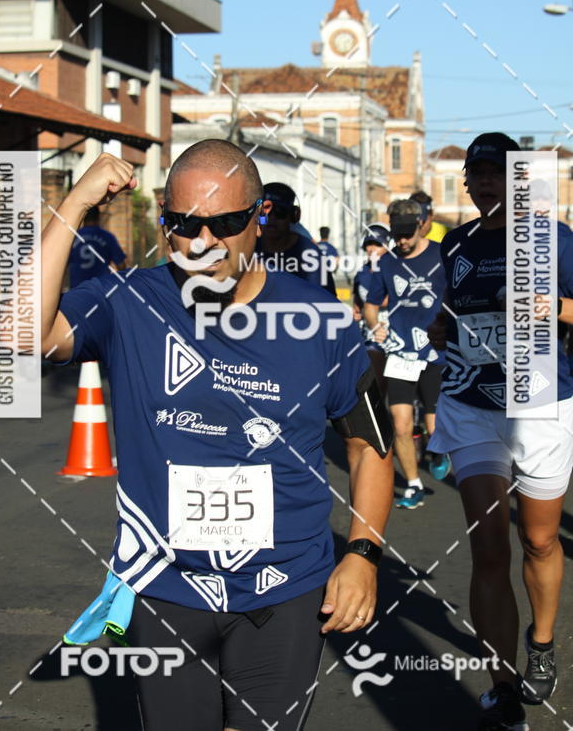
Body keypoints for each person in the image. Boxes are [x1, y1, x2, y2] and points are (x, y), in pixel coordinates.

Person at [41, 140, 394, 731]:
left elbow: (368, 445)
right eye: (185, 224)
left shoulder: (321, 319)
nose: (204, 242)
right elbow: (27, 334)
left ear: (259, 219)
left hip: (285, 586)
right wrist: (75, 201)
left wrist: (363, 555)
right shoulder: (129, 301)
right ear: (164, 223)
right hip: (164, 586)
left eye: (226, 224)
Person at [427, 132, 573, 730]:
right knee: (489, 547)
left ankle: (542, 642)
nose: (486, 183)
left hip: (539, 401)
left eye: (498, 173)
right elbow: (451, 307)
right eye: (477, 175)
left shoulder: (551, 239)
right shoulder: (455, 242)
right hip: (471, 402)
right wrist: (441, 327)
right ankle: (503, 685)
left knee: (539, 539)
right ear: (467, 184)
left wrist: (553, 309)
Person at [364, 199, 450, 510]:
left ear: (421, 225)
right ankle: (414, 485)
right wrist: (376, 326)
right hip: (400, 353)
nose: (401, 241)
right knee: (399, 424)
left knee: (434, 426)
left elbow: (457, 296)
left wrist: (448, 324)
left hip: (435, 353)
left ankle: (438, 449)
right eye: (396, 234)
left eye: (406, 234)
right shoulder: (386, 263)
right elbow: (371, 305)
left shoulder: (441, 255)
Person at [257, 182, 336, 294]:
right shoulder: (247, 249)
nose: (272, 219)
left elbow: (326, 299)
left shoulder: (310, 255)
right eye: (265, 212)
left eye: (280, 212)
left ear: (294, 216)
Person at [352, 224, 391, 393]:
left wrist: (373, 305)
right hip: (370, 330)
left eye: (377, 244)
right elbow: (357, 303)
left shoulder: (395, 267)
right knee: (375, 382)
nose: (372, 249)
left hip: (393, 328)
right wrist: (357, 311)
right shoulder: (362, 271)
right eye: (369, 244)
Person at [67, 204, 127, 287]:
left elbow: (61, 266)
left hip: (77, 289)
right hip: (101, 289)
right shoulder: (107, 237)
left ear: (83, 217)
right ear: (98, 217)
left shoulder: (73, 237)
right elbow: (121, 265)